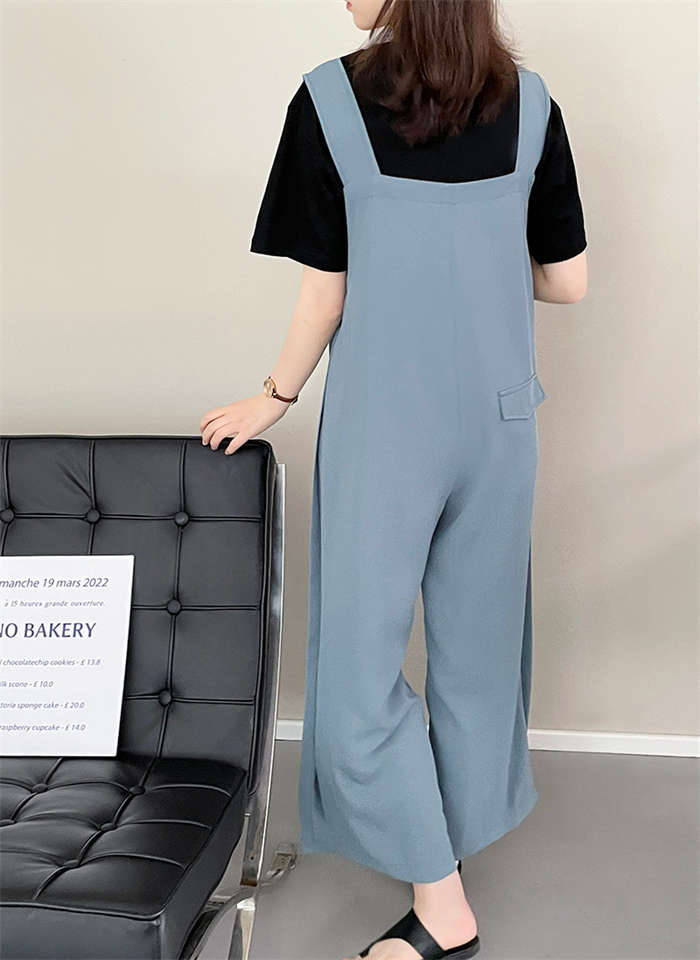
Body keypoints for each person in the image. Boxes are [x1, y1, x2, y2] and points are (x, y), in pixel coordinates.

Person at [200, 1, 587, 957]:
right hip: (501, 425)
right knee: (478, 664)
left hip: (386, 427)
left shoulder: (330, 100)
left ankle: (443, 910)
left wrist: (274, 397)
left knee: (356, 675)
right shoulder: (531, 104)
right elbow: (568, 280)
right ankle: (442, 863)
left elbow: (324, 293)